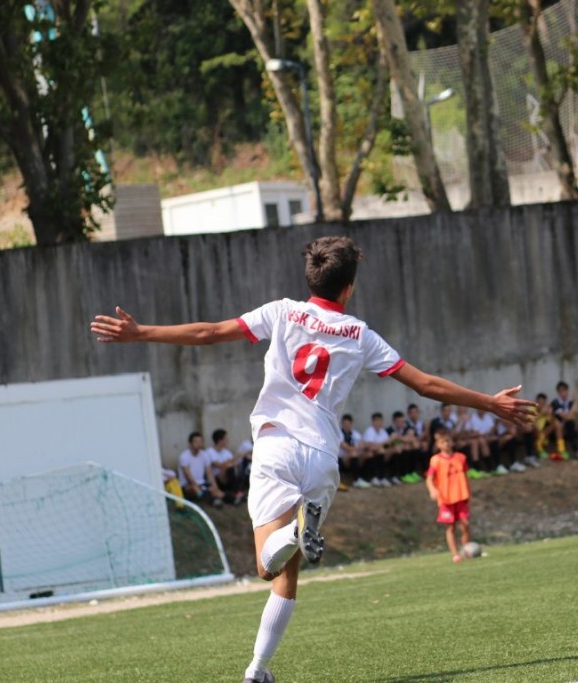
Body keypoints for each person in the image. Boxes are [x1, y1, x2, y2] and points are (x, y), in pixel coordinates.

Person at [91, 235, 534, 683]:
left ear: (311, 277)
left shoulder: (282, 311)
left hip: (276, 446)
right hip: (323, 456)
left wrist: (141, 332)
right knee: (287, 573)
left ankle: (290, 539)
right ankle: (257, 670)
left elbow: (209, 333)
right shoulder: (360, 335)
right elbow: (425, 385)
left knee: (269, 567)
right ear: (349, 287)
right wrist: (489, 403)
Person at [425, 427, 472, 563]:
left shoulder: (460, 458)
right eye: (443, 442)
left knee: (465, 524)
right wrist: (432, 490)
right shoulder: (435, 460)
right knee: (450, 527)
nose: (446, 444)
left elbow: (466, 476)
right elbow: (429, 478)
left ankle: (465, 550)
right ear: (438, 444)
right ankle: (455, 554)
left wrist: (469, 493)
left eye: (447, 441)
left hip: (461, 496)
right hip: (446, 498)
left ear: (451, 442)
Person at [178, 432, 226, 506]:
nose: (199, 443)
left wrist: (214, 485)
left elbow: (209, 472)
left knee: (216, 491)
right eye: (196, 441)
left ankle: (231, 498)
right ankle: (212, 499)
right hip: (189, 485)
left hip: (202, 483)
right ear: (190, 443)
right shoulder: (184, 456)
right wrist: (201, 487)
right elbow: (188, 476)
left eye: (200, 441)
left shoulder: (204, 454)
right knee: (196, 489)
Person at [207, 428, 247, 505]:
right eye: (226, 439)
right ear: (220, 440)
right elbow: (219, 465)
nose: (228, 440)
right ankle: (236, 494)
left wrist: (235, 461)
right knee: (229, 468)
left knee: (234, 470)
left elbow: (234, 463)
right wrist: (235, 457)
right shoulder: (209, 452)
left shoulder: (226, 452)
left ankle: (237, 493)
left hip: (227, 477)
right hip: (217, 479)